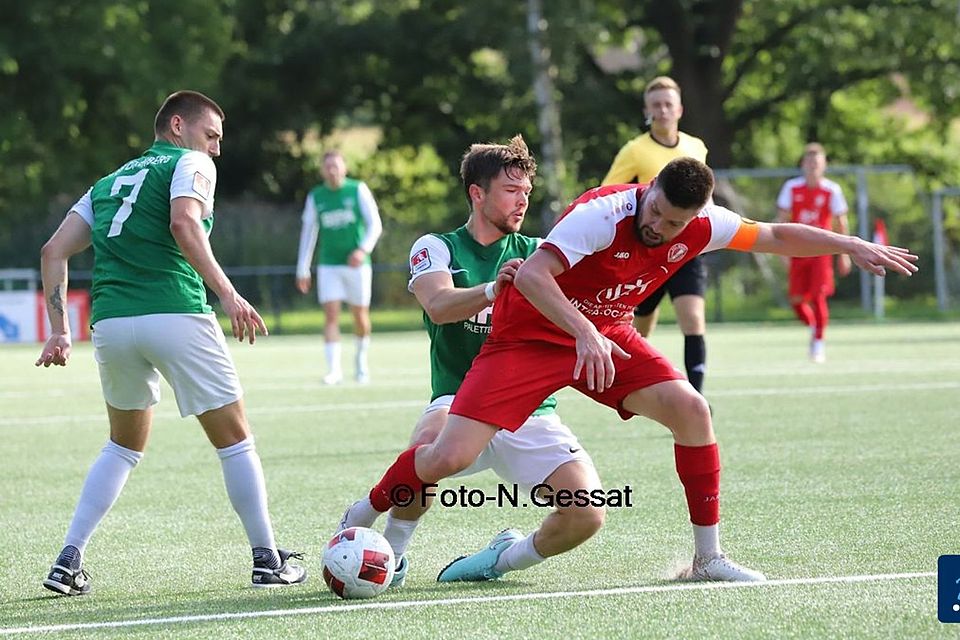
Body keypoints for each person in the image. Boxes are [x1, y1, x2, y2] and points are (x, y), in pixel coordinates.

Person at [342, 157, 917, 584]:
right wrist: (584, 332)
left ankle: (707, 559)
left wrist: (849, 242)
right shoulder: (602, 212)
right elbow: (537, 277)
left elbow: (772, 235)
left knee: (692, 410)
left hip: (607, 331)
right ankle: (364, 512)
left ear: (694, 219)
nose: (658, 227)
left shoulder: (704, 224)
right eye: (656, 211)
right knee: (446, 458)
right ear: (649, 192)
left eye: (673, 224)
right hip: (533, 335)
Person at [35, 90, 306, 595]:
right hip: (175, 310)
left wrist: (59, 330)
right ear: (177, 126)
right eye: (212, 136)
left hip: (112, 325)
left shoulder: (108, 182)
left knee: (121, 445)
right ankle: (267, 558)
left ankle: (68, 560)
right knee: (235, 439)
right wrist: (227, 294)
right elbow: (184, 222)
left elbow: (54, 250)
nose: (217, 150)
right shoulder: (190, 162)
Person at [340, 135, 603, 586]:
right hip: (458, 399)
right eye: (510, 191)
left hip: (529, 411)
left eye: (526, 192)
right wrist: (491, 290)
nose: (522, 201)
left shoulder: (539, 254)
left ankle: (497, 560)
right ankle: (394, 557)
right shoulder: (437, 246)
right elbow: (438, 305)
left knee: (589, 514)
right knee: (425, 441)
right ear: (477, 193)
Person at [602, 76, 710, 394]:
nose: (663, 110)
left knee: (692, 319)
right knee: (640, 327)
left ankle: (697, 397)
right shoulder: (634, 150)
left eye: (668, 104)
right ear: (647, 111)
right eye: (656, 105)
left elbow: (705, 196)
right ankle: (630, 383)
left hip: (686, 250)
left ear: (679, 109)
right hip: (647, 251)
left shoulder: (696, 147)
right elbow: (610, 193)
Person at [296, 151, 383, 384]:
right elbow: (309, 232)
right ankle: (334, 370)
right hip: (329, 265)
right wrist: (302, 268)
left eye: (336, 166)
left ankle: (360, 363)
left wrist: (363, 250)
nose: (332, 170)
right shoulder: (316, 196)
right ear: (322, 170)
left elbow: (375, 224)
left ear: (344, 167)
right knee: (331, 315)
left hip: (357, 265)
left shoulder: (357, 190)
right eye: (328, 167)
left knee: (360, 315)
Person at [776, 143, 851, 363]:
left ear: (824, 165)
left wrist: (844, 254)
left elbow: (841, 223)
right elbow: (781, 220)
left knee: (818, 297)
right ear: (803, 164)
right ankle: (814, 329)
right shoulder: (791, 188)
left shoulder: (832, 190)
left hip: (821, 251)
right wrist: (780, 250)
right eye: (809, 162)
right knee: (797, 300)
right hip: (797, 251)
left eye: (817, 162)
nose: (813, 166)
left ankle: (818, 342)